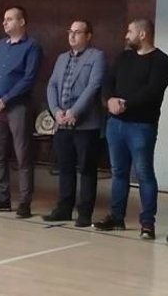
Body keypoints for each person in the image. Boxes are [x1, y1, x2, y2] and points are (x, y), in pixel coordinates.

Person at [94, 19, 168, 240]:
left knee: (144, 173)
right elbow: (108, 81)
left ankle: (147, 223)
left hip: (141, 125)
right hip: (115, 123)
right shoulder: (124, 57)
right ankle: (116, 216)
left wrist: (125, 104)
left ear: (143, 34)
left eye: (130, 31)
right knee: (118, 172)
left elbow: (152, 91)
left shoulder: (161, 61)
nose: (126, 35)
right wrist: (109, 100)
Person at [0, 6, 43, 218]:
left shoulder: (32, 46)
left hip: (17, 106)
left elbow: (28, 78)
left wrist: (5, 99)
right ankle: (2, 197)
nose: (4, 23)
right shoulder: (0, 45)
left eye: (9, 19)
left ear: (22, 22)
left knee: (22, 154)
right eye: (4, 19)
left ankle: (25, 201)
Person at [43, 20, 106, 227]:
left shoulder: (96, 56)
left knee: (87, 169)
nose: (72, 35)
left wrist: (74, 111)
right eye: (70, 31)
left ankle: (85, 213)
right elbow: (52, 85)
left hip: (86, 124)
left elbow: (93, 86)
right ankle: (63, 208)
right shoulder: (62, 58)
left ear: (88, 36)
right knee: (65, 167)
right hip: (62, 122)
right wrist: (56, 111)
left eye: (77, 32)